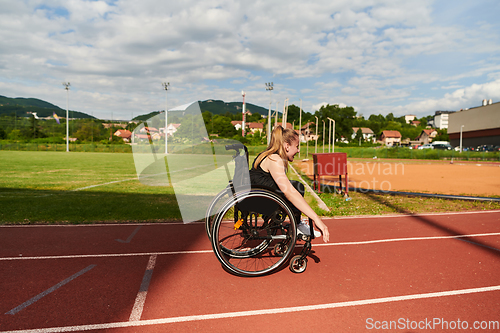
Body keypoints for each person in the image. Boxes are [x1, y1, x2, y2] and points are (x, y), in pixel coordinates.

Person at [250, 125, 330, 242]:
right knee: (296, 188)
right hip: (260, 201)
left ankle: (295, 224)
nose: (298, 150)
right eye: (297, 147)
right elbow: (289, 193)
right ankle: (297, 225)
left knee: (297, 185)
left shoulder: (266, 155)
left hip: (257, 196)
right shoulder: (275, 159)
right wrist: (316, 219)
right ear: (287, 146)